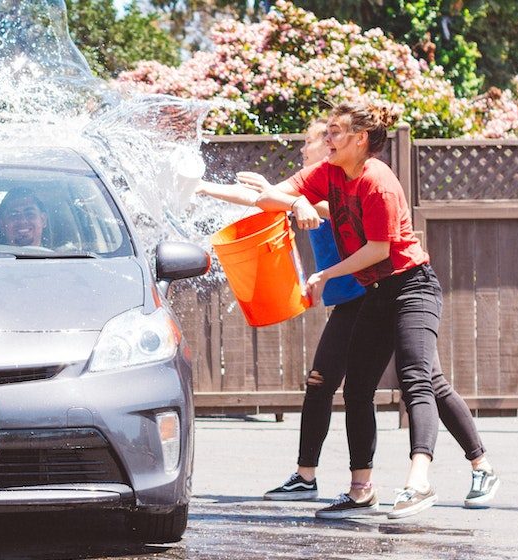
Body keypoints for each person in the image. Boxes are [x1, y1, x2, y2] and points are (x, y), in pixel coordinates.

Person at [197, 119, 499, 517]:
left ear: (359, 139)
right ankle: (362, 489)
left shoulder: (378, 181)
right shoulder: (328, 174)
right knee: (358, 389)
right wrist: (203, 188)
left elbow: (378, 249)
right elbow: (270, 198)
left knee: (418, 381)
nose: (325, 141)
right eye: (324, 135)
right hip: (374, 292)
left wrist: (325, 272)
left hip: (412, 286)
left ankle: (421, 481)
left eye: (333, 133)